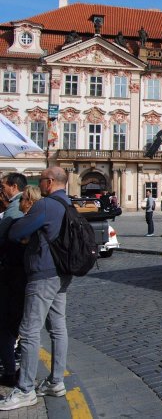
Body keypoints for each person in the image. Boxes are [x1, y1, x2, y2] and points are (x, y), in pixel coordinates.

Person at [0, 167, 72, 411]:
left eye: (40, 180)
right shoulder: (67, 203)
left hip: (42, 273)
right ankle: (56, 382)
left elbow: (16, 232)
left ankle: (25, 389)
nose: (38, 184)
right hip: (62, 273)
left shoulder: (46, 205)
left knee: (29, 331)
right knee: (58, 328)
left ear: (49, 182)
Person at [0, 174, 29, 387]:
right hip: (19, 274)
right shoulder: (18, 209)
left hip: (11, 275)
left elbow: (3, 240)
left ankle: (12, 372)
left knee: (7, 325)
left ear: (13, 186)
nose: (2, 190)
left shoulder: (13, 210)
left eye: (3, 186)